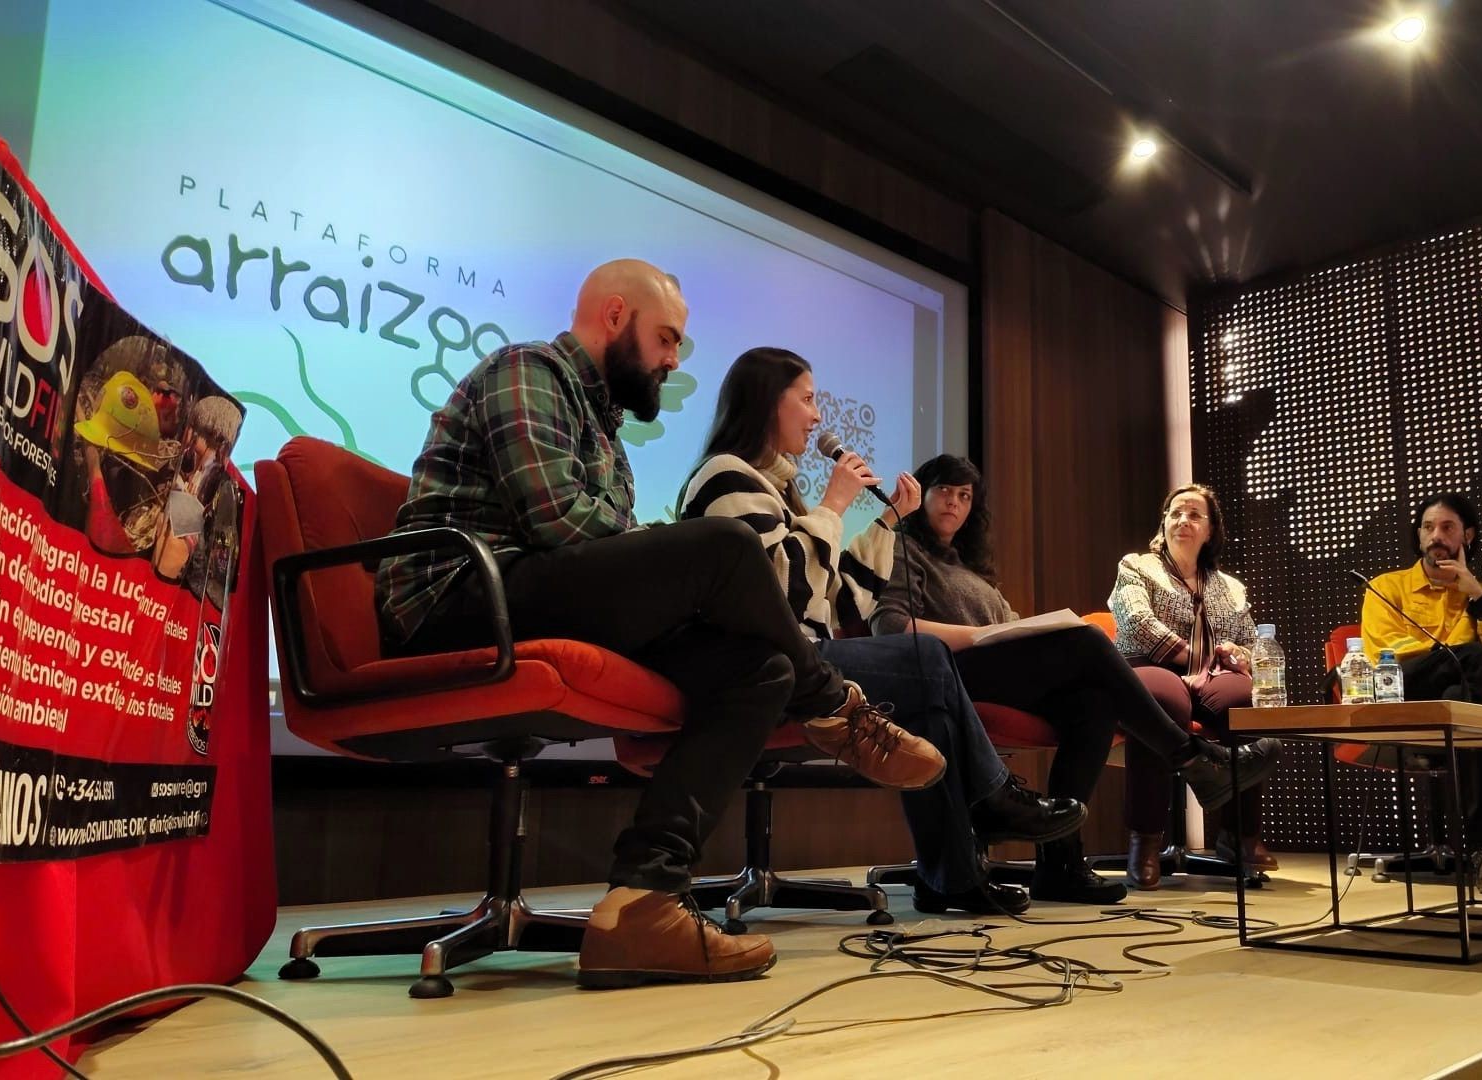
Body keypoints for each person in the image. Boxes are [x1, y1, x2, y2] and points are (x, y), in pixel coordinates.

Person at [374, 260, 945, 989]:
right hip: (457, 599)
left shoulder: (607, 436)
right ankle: (835, 706)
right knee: (725, 548)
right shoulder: (528, 371)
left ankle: (640, 902)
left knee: (760, 669)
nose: (674, 361)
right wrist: (677, 571)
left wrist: (673, 577)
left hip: (531, 596)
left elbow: (604, 544)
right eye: (667, 339)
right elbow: (563, 524)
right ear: (616, 317)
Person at [680, 349, 1086, 914]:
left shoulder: (774, 487)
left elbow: (835, 590)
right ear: (768, 402)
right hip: (765, 662)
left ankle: (954, 876)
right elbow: (782, 587)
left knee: (927, 688)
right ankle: (988, 802)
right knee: (925, 659)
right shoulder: (727, 475)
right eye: (806, 398)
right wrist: (833, 503)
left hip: (804, 654)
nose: (817, 416)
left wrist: (890, 517)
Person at [873, 458, 1280, 899]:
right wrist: (979, 637)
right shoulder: (901, 548)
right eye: (944, 491)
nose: (954, 502)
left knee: (1095, 702)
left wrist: (1028, 632)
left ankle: (1059, 864)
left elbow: (1009, 624)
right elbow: (890, 626)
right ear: (920, 496)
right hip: (945, 672)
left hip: (995, 669)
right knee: (1087, 641)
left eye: (965, 496)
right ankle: (1193, 760)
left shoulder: (972, 569)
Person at [1361, 493, 1482, 894]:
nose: (1435, 536)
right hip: (1403, 692)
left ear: (1468, 536)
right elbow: (1387, 651)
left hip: (1458, 702)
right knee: (1475, 661)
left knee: (1470, 708)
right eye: (1428, 527)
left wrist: (1478, 599)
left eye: (1447, 528)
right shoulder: (1386, 587)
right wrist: (1459, 653)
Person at [1109, 483, 1283, 890]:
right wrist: (1192, 655)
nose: (1183, 521)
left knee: (1246, 703)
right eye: (1175, 513)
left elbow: (1248, 639)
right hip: (1147, 665)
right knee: (1164, 701)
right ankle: (1146, 841)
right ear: (1164, 523)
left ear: (1210, 530)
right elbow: (1135, 621)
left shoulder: (1231, 587)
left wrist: (1239, 655)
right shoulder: (1137, 567)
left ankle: (1238, 837)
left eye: (1194, 515)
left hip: (1210, 673)